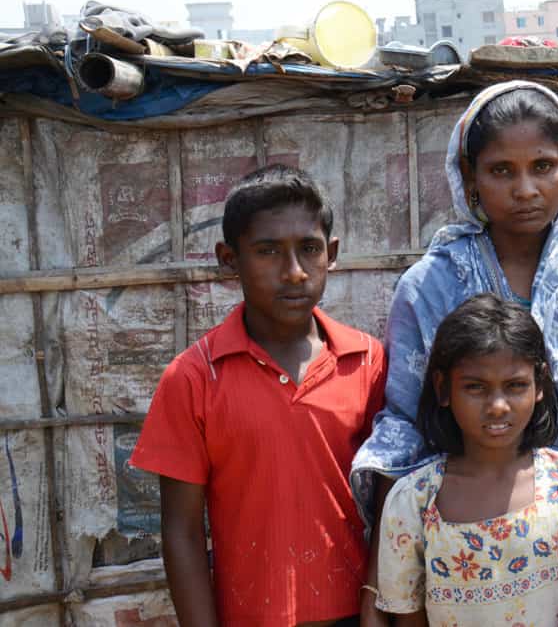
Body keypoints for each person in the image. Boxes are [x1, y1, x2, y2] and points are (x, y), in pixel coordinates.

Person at [353, 81, 558, 618]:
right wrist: (378, 589)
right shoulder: (430, 286)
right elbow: (406, 430)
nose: (525, 188)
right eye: (501, 170)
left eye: (543, 166)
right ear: (471, 180)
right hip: (460, 547)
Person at [129, 165, 386, 627]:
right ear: (230, 259)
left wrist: (375, 604)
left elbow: (393, 507)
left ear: (331, 255)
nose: (293, 272)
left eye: (308, 250)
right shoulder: (193, 377)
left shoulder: (367, 362)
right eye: (268, 251)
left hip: (356, 614)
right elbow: (182, 531)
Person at [372, 293, 558, 625]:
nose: (498, 405)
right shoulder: (414, 500)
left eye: (515, 385)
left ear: (539, 384)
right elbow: (408, 617)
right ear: (443, 388)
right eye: (476, 387)